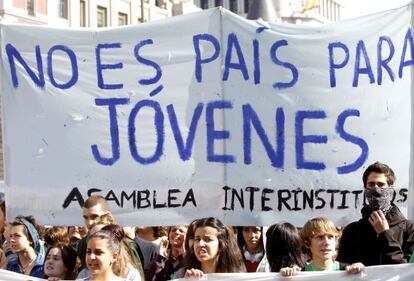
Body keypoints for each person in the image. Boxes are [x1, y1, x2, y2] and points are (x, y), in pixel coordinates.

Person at [337, 162, 414, 265]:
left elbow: (406, 272)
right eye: (371, 184)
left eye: (381, 184)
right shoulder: (352, 230)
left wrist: (384, 234)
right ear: (365, 189)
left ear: (390, 189)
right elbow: (342, 270)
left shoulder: (409, 229)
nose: (376, 189)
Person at [280, 217, 364, 276]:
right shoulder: (299, 274)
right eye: (320, 237)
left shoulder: (349, 270)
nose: (326, 242)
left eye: (330, 237)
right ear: (307, 243)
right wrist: (286, 277)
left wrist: (362, 272)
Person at [77, 195, 113, 270]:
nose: (89, 223)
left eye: (94, 217)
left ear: (107, 215)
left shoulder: (124, 241)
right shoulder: (83, 244)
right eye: (85, 218)